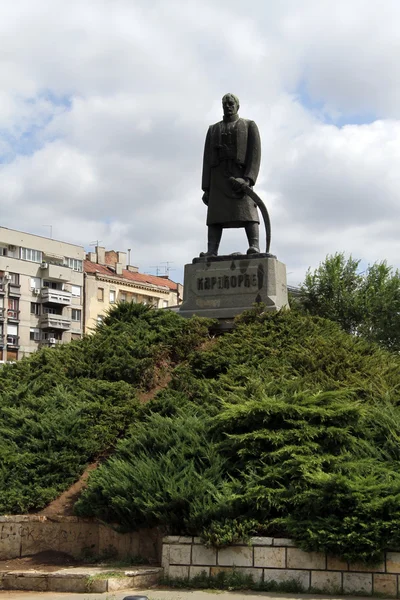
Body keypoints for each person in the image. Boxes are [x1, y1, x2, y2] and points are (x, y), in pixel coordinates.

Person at [201, 93, 261, 257]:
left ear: (237, 105)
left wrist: (248, 179)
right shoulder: (213, 129)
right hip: (218, 178)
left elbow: (254, 156)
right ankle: (212, 250)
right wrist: (206, 188)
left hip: (239, 177)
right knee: (215, 217)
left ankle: (254, 245)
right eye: (225, 103)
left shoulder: (248, 125)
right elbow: (206, 160)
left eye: (230, 103)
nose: (227, 106)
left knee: (249, 212)